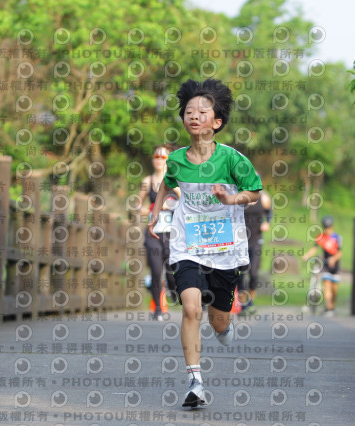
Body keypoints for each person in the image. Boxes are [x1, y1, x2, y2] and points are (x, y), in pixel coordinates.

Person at [148, 78, 262, 408]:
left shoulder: (233, 160)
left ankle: (224, 324)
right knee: (191, 308)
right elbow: (166, 187)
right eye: (188, 111)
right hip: (187, 245)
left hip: (225, 250)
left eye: (202, 111)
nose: (194, 116)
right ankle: (195, 382)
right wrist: (155, 214)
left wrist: (231, 199)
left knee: (218, 320)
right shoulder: (178, 159)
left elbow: (254, 193)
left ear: (217, 122)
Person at [137, 144, 180, 321]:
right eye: (156, 156)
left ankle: (174, 293)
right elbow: (138, 203)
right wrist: (143, 209)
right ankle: (157, 310)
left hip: (171, 233)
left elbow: (184, 200)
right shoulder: (147, 181)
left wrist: (168, 206)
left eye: (163, 157)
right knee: (155, 270)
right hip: (153, 233)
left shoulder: (174, 180)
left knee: (171, 271)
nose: (159, 160)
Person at [302, 215, 343, 317]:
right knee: (327, 286)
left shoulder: (337, 238)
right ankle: (329, 308)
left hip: (335, 266)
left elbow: (339, 253)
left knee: (334, 289)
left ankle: (332, 307)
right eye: (325, 228)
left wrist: (333, 259)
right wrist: (307, 255)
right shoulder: (321, 237)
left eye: (328, 228)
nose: (327, 230)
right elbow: (314, 248)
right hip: (325, 265)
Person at [239, 189, 272, 316]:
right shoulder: (240, 197)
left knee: (253, 273)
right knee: (241, 274)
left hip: (256, 240)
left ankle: (250, 301)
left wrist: (267, 223)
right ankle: (243, 305)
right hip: (240, 240)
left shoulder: (263, 197)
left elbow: (269, 212)